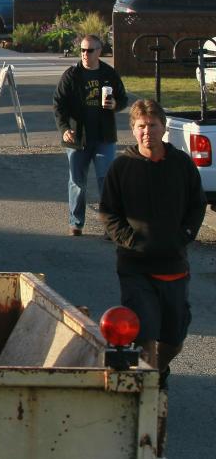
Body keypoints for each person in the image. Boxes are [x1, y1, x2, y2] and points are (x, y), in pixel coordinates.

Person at [100, 99, 206, 388]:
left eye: (153, 125)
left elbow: (197, 205)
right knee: (145, 335)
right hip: (136, 267)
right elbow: (108, 211)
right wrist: (130, 240)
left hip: (174, 265)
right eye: (141, 126)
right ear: (133, 130)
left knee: (173, 340)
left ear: (164, 127)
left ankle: (157, 370)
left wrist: (185, 234)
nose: (147, 131)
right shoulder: (122, 166)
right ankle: (149, 393)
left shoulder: (181, 164)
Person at [53, 34, 128, 236]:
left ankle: (109, 226)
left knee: (107, 182)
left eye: (90, 50)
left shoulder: (109, 73)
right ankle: (76, 223)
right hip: (77, 138)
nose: (85, 54)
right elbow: (58, 105)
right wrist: (64, 128)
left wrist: (116, 105)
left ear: (99, 52)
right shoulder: (71, 75)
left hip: (104, 137)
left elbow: (123, 98)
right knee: (77, 181)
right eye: (83, 50)